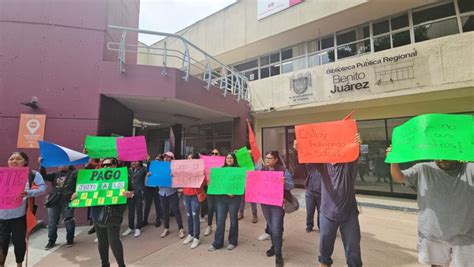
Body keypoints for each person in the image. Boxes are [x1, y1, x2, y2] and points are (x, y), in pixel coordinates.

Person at [388, 149, 474, 267]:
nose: (442, 159)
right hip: (433, 233)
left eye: (447, 153)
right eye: (438, 154)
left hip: (465, 235)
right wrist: (394, 160)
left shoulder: (470, 169)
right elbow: (399, 177)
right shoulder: (422, 169)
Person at [295, 133, 363, 267]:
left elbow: (355, 155)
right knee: (325, 249)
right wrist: (299, 148)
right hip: (327, 213)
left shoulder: (347, 164)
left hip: (349, 214)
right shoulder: (323, 166)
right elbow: (308, 156)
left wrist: (357, 145)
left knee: (353, 249)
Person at [72, 157, 134, 267]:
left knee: (114, 241)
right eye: (103, 165)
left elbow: (133, 192)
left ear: (115, 166)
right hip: (97, 213)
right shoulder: (95, 177)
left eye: (108, 164)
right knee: (102, 242)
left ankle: (121, 265)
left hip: (113, 213)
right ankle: (105, 264)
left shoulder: (123, 176)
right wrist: (76, 196)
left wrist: (130, 194)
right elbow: (84, 189)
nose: (106, 167)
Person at [0, 152, 47, 267]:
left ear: (25, 161)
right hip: (1, 217)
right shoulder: (2, 174)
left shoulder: (32, 174)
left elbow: (43, 188)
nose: (14, 161)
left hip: (19, 216)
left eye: (18, 159)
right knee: (1, 243)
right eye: (11, 159)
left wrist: (29, 193)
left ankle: (19, 264)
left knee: (19, 242)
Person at [260, 150, 294, 267]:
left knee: (276, 229)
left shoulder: (283, 170)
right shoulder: (262, 170)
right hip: (265, 203)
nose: (267, 160)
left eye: (270, 158)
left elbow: (291, 185)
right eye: (266, 158)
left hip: (277, 204)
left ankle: (278, 254)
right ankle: (274, 246)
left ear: (276, 160)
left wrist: (284, 183)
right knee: (271, 226)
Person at [38, 159, 78, 249]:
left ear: (69, 164)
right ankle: (51, 241)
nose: (59, 165)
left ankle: (70, 239)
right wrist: (42, 165)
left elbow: (83, 180)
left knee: (69, 220)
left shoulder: (74, 173)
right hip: (53, 201)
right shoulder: (55, 174)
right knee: (52, 223)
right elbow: (43, 176)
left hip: (68, 201)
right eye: (58, 163)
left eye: (62, 163)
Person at [208, 152, 242, 251]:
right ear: (225, 159)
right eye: (228, 158)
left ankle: (232, 241)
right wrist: (211, 182)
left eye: (231, 158)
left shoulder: (239, 170)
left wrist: (235, 192)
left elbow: (242, 184)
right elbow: (216, 184)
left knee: (233, 220)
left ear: (234, 159)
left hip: (234, 199)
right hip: (221, 199)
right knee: (220, 220)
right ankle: (217, 243)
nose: (229, 159)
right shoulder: (220, 170)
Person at [158, 152, 185, 239]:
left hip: (172, 192)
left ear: (172, 159)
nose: (166, 158)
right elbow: (154, 180)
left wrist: (174, 177)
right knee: (165, 211)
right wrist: (151, 176)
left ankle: (181, 229)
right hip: (162, 192)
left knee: (176, 210)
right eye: (165, 157)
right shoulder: (159, 168)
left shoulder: (176, 169)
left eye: (169, 157)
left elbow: (180, 182)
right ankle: (166, 228)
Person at [182, 153, 204, 249]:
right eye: (188, 158)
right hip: (186, 195)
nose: (189, 160)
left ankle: (196, 237)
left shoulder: (200, 170)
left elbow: (204, 183)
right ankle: (190, 234)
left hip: (195, 196)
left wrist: (200, 176)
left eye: (191, 158)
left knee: (195, 217)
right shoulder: (184, 170)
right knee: (189, 216)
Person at [122, 160, 146, 238]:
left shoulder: (143, 170)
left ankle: (138, 228)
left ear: (139, 162)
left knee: (139, 211)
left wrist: (148, 161)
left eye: (136, 161)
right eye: (132, 161)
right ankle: (130, 227)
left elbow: (150, 172)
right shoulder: (127, 170)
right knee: (130, 211)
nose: (133, 163)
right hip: (130, 193)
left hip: (139, 193)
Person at [238, 149, 259, 224]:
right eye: (248, 154)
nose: (249, 155)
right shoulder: (241, 164)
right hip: (243, 184)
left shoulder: (255, 165)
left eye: (250, 154)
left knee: (252, 201)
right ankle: (241, 213)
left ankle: (254, 215)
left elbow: (258, 174)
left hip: (251, 185)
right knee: (242, 200)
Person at [203, 148, 220, 236]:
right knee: (210, 208)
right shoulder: (206, 165)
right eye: (212, 153)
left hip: (219, 190)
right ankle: (209, 226)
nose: (214, 155)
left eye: (216, 153)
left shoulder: (222, 165)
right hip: (210, 189)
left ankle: (218, 226)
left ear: (219, 155)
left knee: (218, 209)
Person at [143, 154, 162, 227]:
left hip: (157, 188)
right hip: (148, 188)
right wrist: (148, 161)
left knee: (158, 204)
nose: (157, 161)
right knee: (147, 204)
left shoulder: (162, 168)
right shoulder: (149, 166)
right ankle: (145, 220)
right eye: (156, 159)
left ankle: (158, 219)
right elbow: (147, 170)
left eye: (159, 160)